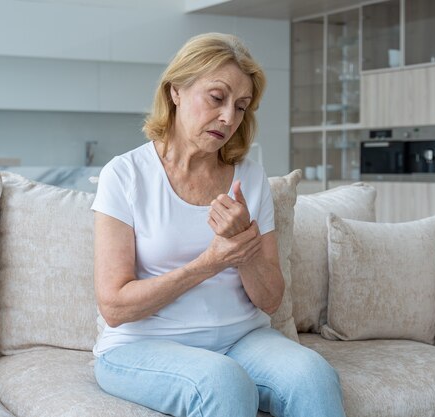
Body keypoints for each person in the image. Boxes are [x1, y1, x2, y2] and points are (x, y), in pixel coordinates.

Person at [91, 32, 346, 417]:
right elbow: (114, 306)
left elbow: (271, 299)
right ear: (176, 90)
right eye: (217, 97)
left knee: (314, 376)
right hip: (141, 344)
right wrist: (209, 262)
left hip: (243, 338)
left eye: (241, 107)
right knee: (224, 384)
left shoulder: (250, 178)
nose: (229, 117)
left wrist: (245, 248)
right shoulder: (125, 175)